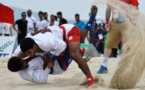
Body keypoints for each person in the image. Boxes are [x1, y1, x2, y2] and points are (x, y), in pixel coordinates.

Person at [97, 0, 139, 74]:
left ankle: (127, 66)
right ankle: (104, 66)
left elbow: (135, 8)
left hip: (126, 23)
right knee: (109, 44)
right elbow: (108, 8)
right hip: (114, 23)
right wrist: (106, 22)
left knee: (127, 45)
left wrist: (134, 22)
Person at [7, 46, 88, 83]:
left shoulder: (18, 54)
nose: (24, 62)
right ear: (19, 69)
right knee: (71, 49)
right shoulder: (26, 74)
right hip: (57, 66)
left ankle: (79, 56)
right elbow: (43, 79)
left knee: (65, 45)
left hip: (52, 56)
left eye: (23, 61)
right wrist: (46, 63)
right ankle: (80, 58)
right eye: (23, 65)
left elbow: (27, 40)